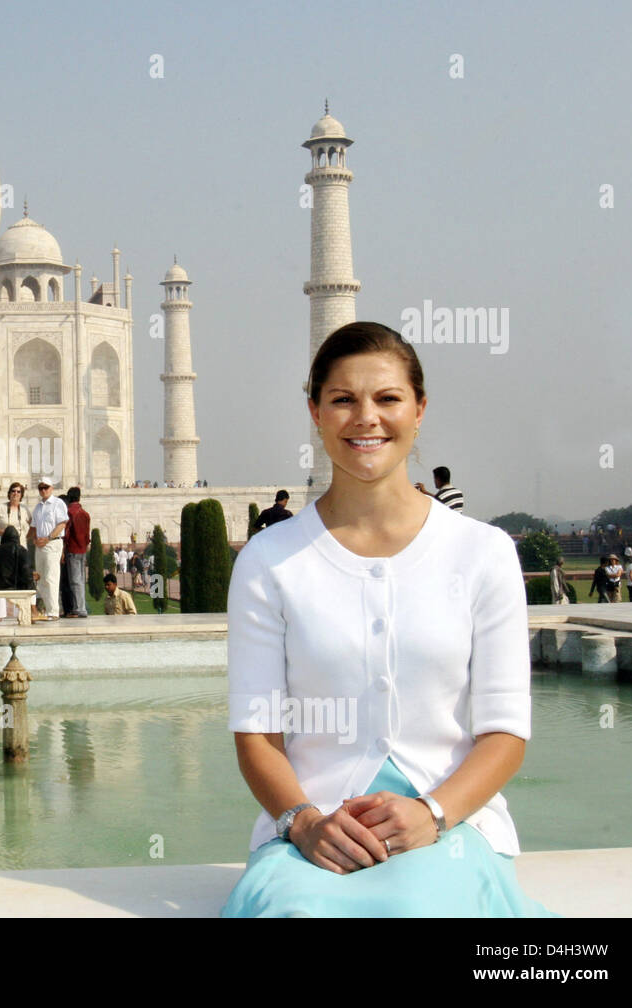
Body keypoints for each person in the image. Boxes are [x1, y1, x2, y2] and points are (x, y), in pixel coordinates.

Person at [223, 321, 548, 917]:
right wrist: (304, 823)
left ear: (419, 409)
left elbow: (504, 733)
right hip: (312, 836)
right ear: (315, 412)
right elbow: (258, 737)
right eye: (343, 399)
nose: (365, 418)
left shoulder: (482, 552)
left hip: (452, 825)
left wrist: (433, 812)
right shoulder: (270, 561)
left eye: (388, 398)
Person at [28, 478, 68, 620]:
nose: (43, 490)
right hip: (40, 546)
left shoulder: (58, 504)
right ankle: (45, 609)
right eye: (41, 488)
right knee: (40, 578)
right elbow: (33, 528)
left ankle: (53, 612)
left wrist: (48, 538)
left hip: (52, 544)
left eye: (46, 487)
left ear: (51, 488)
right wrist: (34, 539)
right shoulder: (38, 507)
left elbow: (62, 524)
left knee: (51, 577)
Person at [0, 525, 32, 622]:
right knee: (31, 588)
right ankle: (24, 614)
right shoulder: (21, 550)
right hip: (17, 584)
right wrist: (30, 584)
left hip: (0, 584)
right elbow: (26, 569)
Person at [63, 487, 90, 618]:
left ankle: (79, 608)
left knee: (74, 580)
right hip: (82, 550)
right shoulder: (85, 513)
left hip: (72, 549)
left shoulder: (69, 513)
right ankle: (81, 606)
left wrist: (64, 547)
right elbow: (87, 536)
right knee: (80, 579)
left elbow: (66, 533)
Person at [0, 482, 30, 548]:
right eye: (13, 491)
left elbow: (33, 526)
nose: (15, 493)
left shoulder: (24, 509)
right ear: (9, 493)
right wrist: (4, 532)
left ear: (21, 495)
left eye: (18, 491)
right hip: (4, 547)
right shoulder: (1, 507)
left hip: (20, 547)